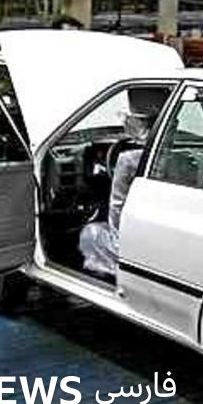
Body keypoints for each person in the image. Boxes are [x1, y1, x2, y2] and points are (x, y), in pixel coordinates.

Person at [79, 110, 154, 278]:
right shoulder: (174, 153)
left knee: (89, 232)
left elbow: (117, 206)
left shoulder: (128, 160)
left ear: (136, 124)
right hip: (156, 231)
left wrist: (118, 240)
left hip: (132, 242)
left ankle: (108, 274)